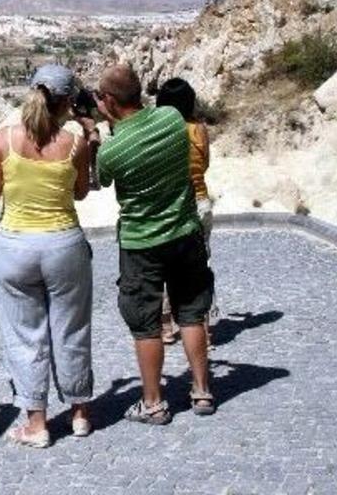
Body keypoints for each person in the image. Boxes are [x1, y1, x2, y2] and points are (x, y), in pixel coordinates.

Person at [0, 63, 94, 447]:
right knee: (72, 329)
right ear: (67, 103)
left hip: (16, 246)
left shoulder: (5, 139)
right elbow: (79, 193)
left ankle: (37, 424)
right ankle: (79, 414)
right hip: (64, 243)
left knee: (25, 336)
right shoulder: (74, 142)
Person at [95, 64, 215, 424]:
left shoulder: (112, 151)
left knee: (146, 323)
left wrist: (105, 132)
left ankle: (153, 402)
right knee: (192, 311)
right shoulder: (170, 119)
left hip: (141, 242)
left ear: (110, 101)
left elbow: (102, 180)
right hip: (184, 231)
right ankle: (202, 390)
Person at [155, 78, 216, 345]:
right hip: (200, 201)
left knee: (164, 263)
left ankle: (166, 324)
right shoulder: (199, 129)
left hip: (170, 202)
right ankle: (202, 324)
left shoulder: (159, 131)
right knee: (200, 265)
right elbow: (204, 165)